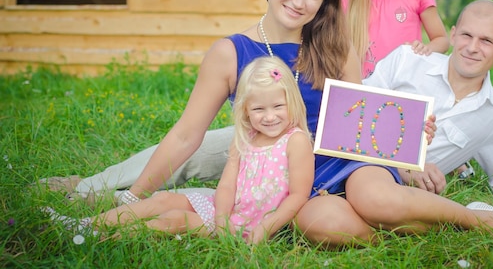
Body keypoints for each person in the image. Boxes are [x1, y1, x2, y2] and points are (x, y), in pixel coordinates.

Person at [40, 0, 363, 204]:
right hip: (257, 145)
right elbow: (184, 136)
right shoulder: (230, 52)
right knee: (195, 151)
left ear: (323, 3)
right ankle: (92, 189)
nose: (299, 1)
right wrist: (136, 199)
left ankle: (113, 194)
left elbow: (360, 121)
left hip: (314, 161)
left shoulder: (335, 48)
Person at [295, 0, 493, 247]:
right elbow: (356, 112)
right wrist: (404, 164)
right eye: (467, 35)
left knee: (357, 207)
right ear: (453, 35)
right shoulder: (407, 61)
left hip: (394, 191)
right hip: (361, 165)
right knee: (326, 221)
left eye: (486, 41)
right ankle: (471, 221)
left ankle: (443, 221)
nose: (473, 47)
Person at [44, 57, 315, 244]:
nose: (269, 117)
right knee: (162, 200)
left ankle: (98, 238)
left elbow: (298, 195)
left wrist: (265, 228)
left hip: (249, 227)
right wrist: (219, 217)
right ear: (245, 110)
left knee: (175, 219)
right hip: (225, 215)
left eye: (278, 107)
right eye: (259, 109)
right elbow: (226, 186)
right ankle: (85, 224)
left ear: (292, 102)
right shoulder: (246, 139)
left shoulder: (295, 141)